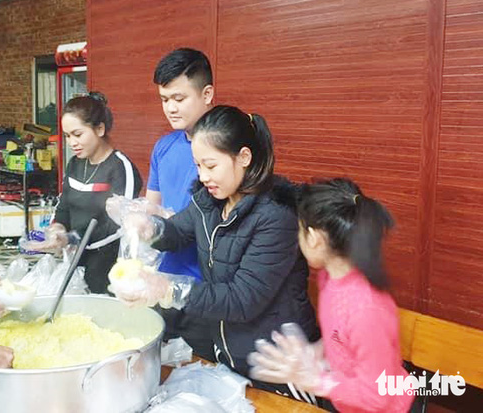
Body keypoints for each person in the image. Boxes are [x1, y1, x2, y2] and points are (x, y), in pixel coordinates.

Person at [110, 105, 319, 395]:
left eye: (211, 165)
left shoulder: (276, 217)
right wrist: (150, 227)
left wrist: (167, 289)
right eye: (198, 166)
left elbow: (242, 299)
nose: (203, 175)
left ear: (244, 157)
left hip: (278, 368)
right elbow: (178, 232)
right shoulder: (209, 201)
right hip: (230, 354)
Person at [247, 178, 415, 412]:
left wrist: (317, 381)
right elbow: (341, 336)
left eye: (300, 230)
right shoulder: (330, 277)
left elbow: (379, 396)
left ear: (315, 239)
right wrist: (314, 352)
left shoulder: (367, 310)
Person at [28, 92, 142, 293]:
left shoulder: (120, 168)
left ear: (99, 129)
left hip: (110, 267)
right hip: (75, 259)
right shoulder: (75, 164)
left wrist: (73, 238)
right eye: (67, 136)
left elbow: (121, 226)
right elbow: (64, 205)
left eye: (78, 134)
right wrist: (58, 229)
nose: (72, 143)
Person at [146, 48, 215, 359]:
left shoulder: (224, 151)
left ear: (207, 94)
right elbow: (151, 211)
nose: (170, 108)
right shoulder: (164, 147)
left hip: (205, 290)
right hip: (164, 281)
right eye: (164, 100)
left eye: (179, 98)